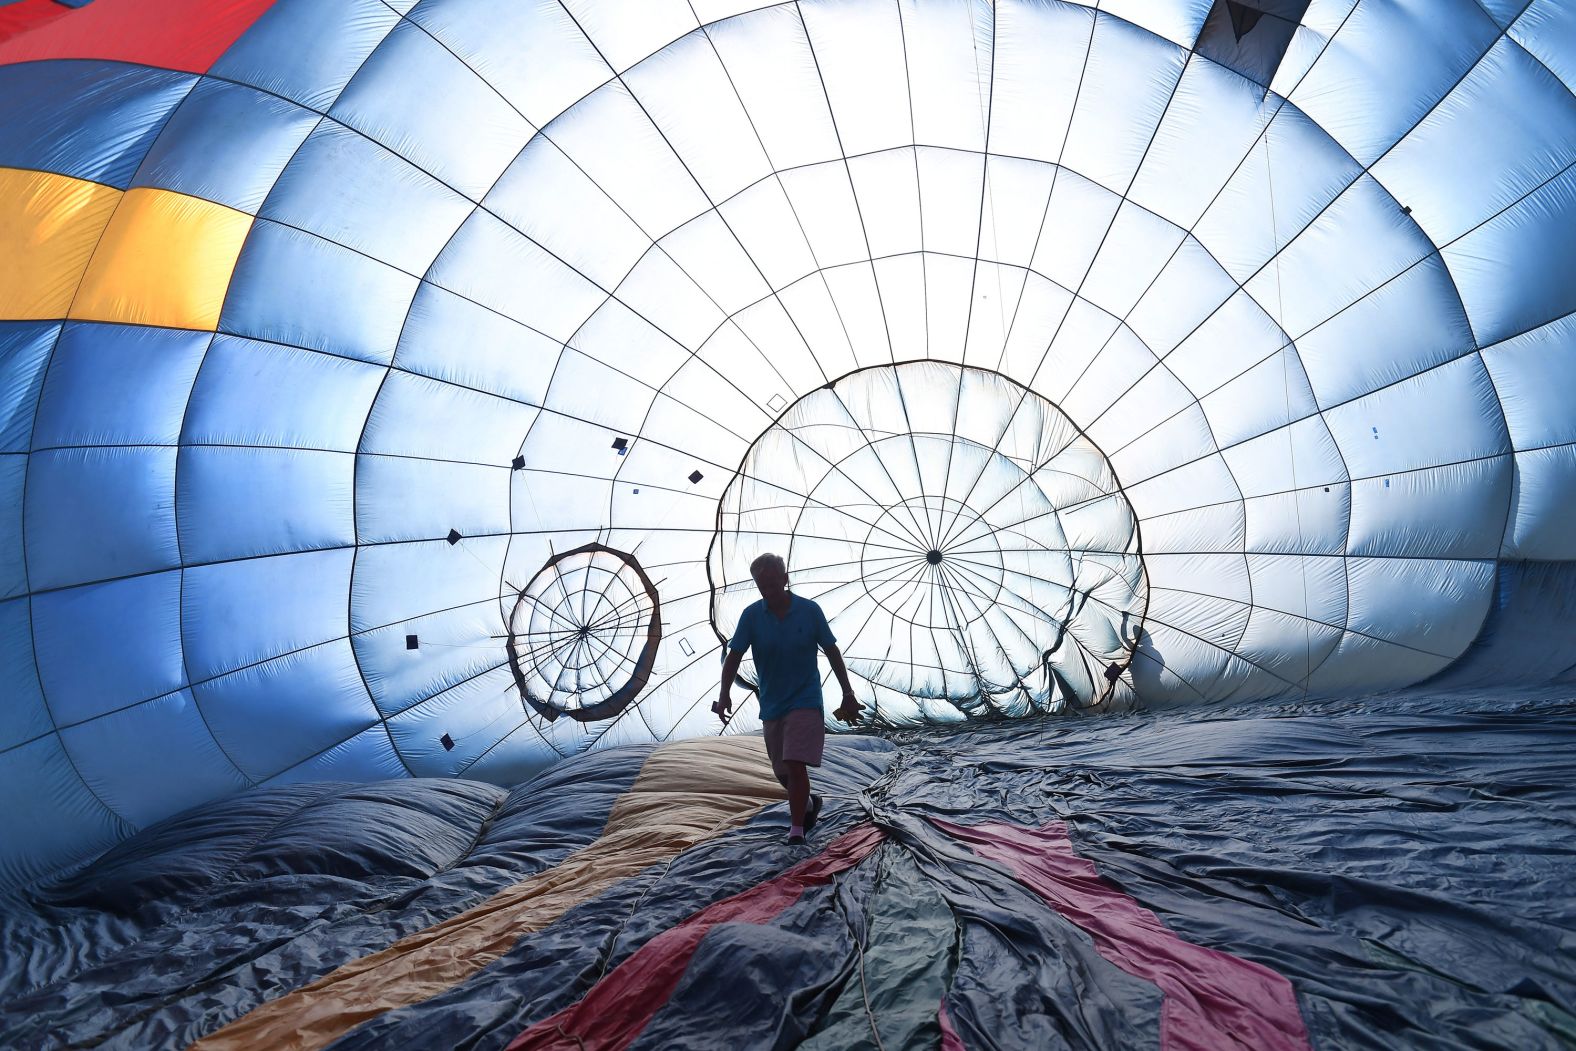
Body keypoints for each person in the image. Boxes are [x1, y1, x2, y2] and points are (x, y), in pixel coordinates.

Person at [717, 553, 863, 845]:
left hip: (806, 699)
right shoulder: (751, 616)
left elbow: (832, 651)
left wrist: (848, 692)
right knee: (782, 771)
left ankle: (796, 829)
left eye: (772, 582)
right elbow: (733, 657)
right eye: (762, 585)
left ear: (785, 579)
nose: (768, 590)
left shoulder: (809, 611)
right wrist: (724, 694)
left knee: (795, 763)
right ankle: (809, 805)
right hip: (772, 703)